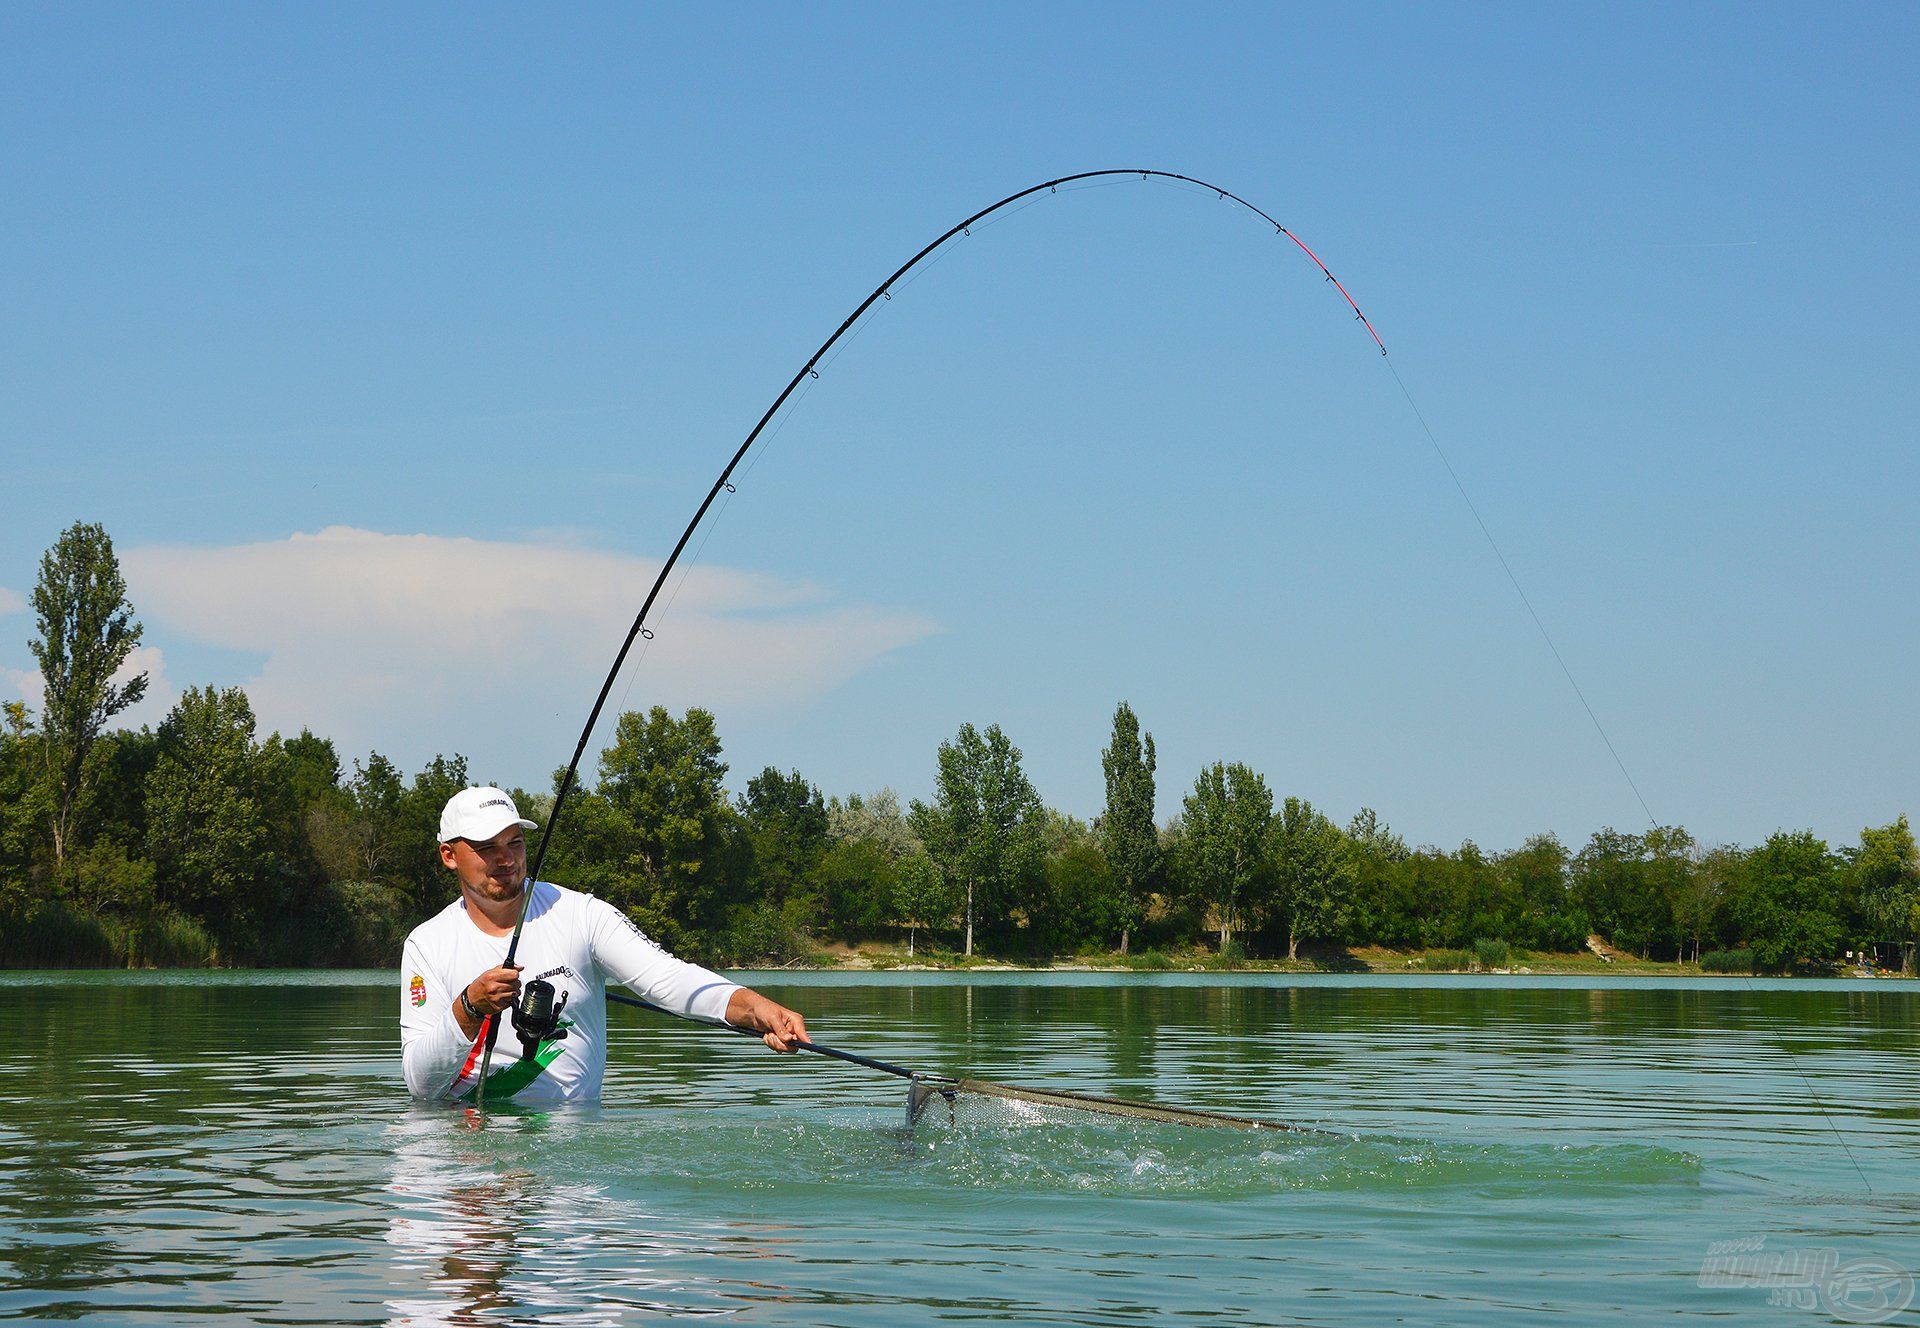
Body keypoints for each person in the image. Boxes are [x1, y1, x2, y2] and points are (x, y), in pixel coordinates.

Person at [401, 785, 809, 1106]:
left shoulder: (583, 915)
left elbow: (668, 978)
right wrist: (469, 1007)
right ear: (449, 855)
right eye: (487, 847)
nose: (506, 858)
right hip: (460, 1155)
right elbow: (421, 1084)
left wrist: (756, 1008)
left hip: (568, 1160)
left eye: (515, 843)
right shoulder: (427, 944)